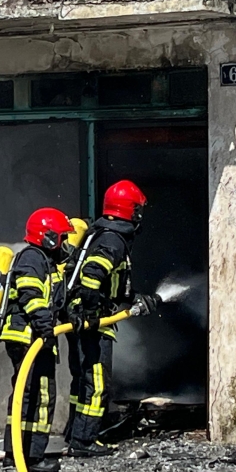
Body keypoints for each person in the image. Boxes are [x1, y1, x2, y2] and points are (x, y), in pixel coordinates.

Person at [64, 180, 156, 457]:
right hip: (91, 321)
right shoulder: (113, 239)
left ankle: (74, 433)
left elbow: (111, 284)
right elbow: (93, 276)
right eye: (138, 210)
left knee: (82, 380)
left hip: (80, 317)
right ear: (132, 212)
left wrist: (133, 299)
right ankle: (84, 441)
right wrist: (92, 314)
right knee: (97, 383)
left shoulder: (103, 233)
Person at [0, 207, 75, 472]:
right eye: (62, 238)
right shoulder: (32, 259)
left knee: (28, 395)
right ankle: (30, 456)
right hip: (28, 337)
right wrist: (44, 325)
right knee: (39, 396)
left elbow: (55, 300)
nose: (64, 244)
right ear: (49, 238)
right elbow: (31, 296)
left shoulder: (44, 261)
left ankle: (17, 453)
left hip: (34, 336)